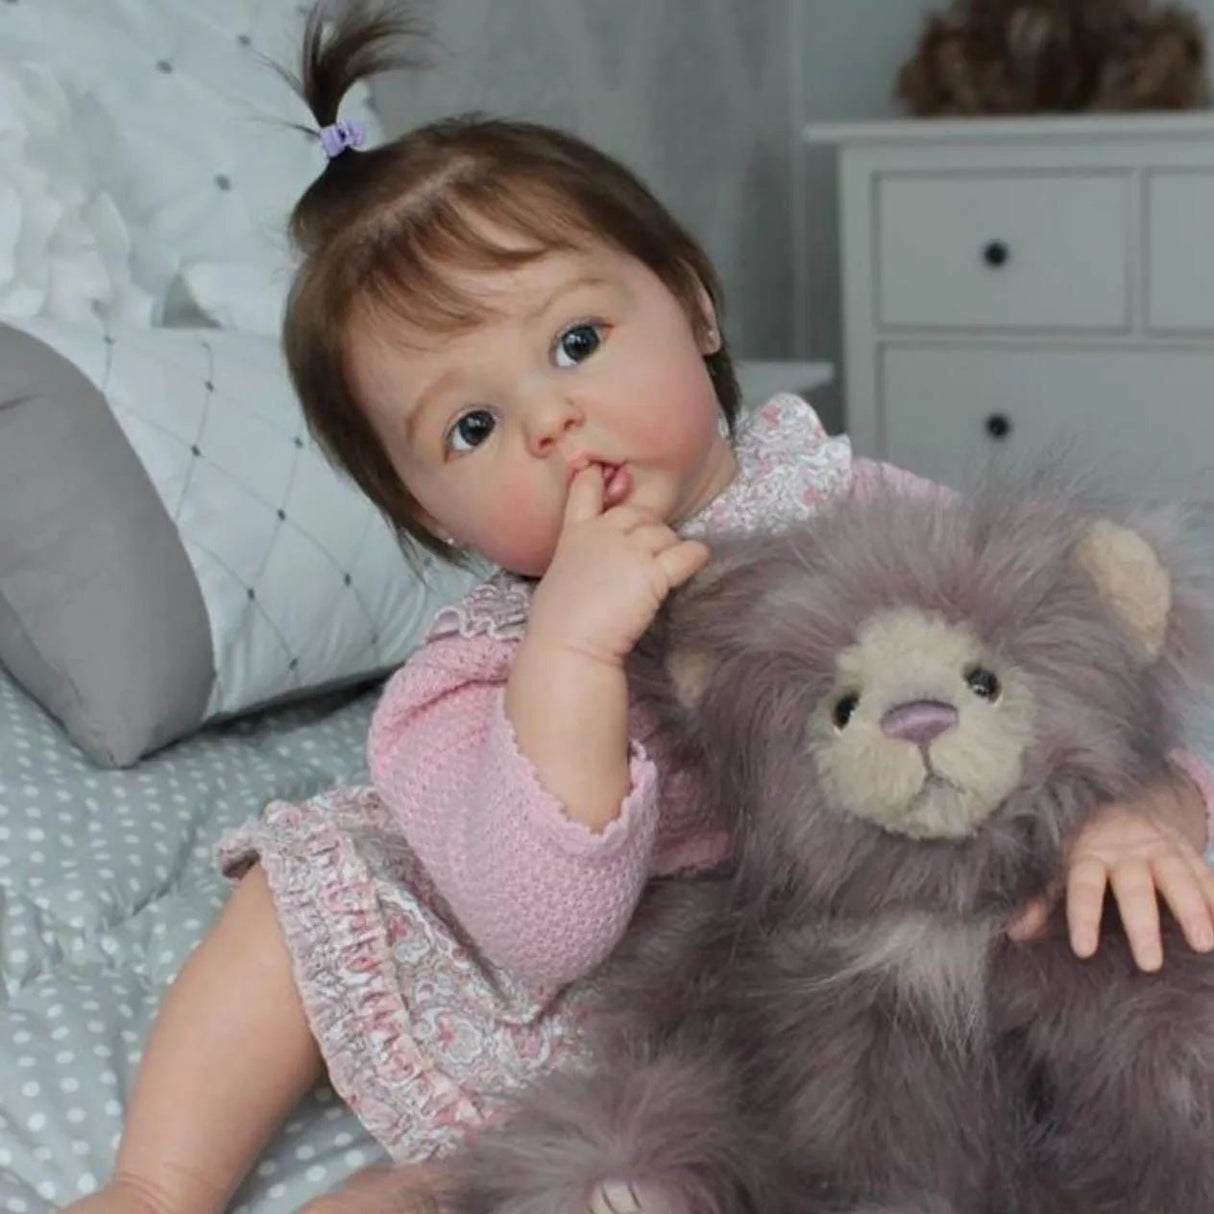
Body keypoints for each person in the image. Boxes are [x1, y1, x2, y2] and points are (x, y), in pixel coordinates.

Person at [69, 3, 1214, 1212]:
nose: (549, 421)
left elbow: (1067, 678)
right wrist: (568, 649)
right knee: (299, 884)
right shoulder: (480, 670)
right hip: (619, 997)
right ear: (431, 516)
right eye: (470, 427)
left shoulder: (859, 510)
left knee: (1112, 921)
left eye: (574, 339)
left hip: (836, 967)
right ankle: (167, 1180)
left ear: (694, 306)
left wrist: (1139, 806)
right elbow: (540, 933)